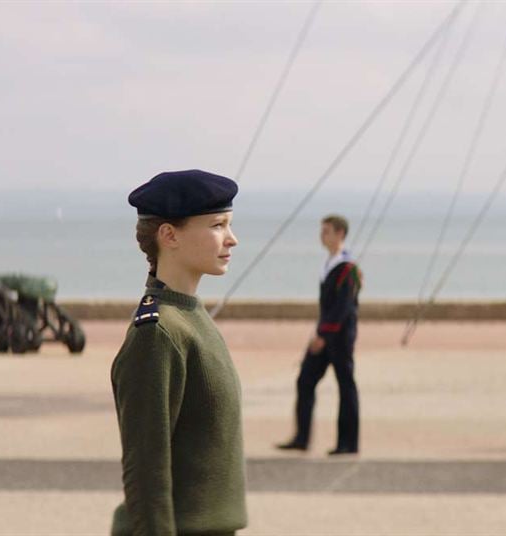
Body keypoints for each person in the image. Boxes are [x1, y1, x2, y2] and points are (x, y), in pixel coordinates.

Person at [109, 170, 247, 536]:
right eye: (217, 225)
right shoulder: (158, 333)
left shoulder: (189, 316)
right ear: (169, 235)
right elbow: (146, 475)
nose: (231, 239)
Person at [276, 214, 363, 456]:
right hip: (324, 334)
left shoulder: (348, 267)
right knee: (305, 380)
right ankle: (301, 438)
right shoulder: (330, 263)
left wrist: (323, 335)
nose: (322, 236)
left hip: (340, 337)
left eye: (326, 231)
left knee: (346, 386)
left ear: (340, 234)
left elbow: (343, 308)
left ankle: (348, 444)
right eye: (322, 231)